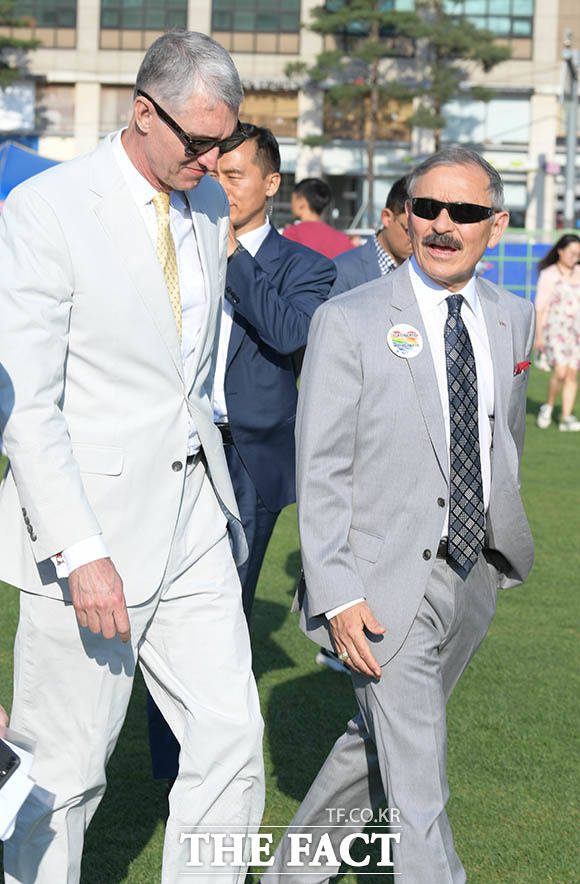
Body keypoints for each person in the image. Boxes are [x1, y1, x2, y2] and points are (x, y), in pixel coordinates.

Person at [0, 30, 264, 883]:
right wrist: (81, 552)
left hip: (195, 518)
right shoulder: (45, 210)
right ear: (142, 112)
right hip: (89, 533)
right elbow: (27, 405)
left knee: (232, 738)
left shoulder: (211, 204)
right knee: (64, 771)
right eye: (199, 141)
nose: (214, 161)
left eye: (226, 141)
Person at [265, 147, 535, 883]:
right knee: (418, 779)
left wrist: (495, 555)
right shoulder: (347, 319)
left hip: (473, 574)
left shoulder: (513, 317)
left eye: (465, 212)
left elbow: (503, 438)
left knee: (376, 742)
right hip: (379, 585)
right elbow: (320, 468)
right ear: (406, 216)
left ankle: (292, 875)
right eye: (428, 208)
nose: (444, 225)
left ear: (496, 225)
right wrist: (338, 593)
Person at [146, 123, 336, 780]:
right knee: (162, 604)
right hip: (172, 449)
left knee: (224, 610)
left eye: (235, 175)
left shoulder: (307, 267)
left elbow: (289, 334)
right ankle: (172, 767)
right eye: (214, 174)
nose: (220, 187)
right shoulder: (178, 247)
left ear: (271, 183)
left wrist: (230, 253)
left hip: (248, 459)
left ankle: (206, 759)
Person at [330, 176, 412, 296]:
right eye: (410, 231)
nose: (416, 240)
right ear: (387, 218)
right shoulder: (343, 270)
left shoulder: (425, 271)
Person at [534, 233, 580, 431]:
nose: (574, 257)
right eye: (571, 252)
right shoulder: (549, 274)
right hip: (554, 330)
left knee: (572, 374)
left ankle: (566, 417)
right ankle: (549, 406)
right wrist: (538, 336)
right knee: (560, 372)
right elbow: (540, 307)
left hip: (576, 332)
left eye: (578, 254)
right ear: (560, 251)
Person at [283, 177, 354, 259]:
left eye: (293, 199)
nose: (291, 205)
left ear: (301, 202)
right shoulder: (343, 240)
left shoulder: (292, 234)